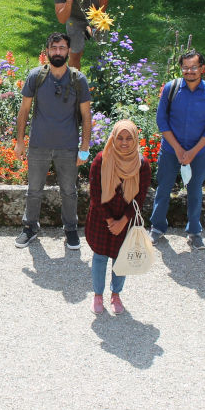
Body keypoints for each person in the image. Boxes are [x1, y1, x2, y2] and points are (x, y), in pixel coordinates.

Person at [12, 33, 92, 250]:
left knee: (69, 191)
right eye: (54, 48)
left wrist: (84, 148)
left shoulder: (78, 80)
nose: (58, 52)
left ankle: (71, 229)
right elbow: (24, 110)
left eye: (62, 48)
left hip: (67, 146)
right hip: (38, 145)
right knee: (34, 190)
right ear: (47, 50)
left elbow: (86, 116)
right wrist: (20, 142)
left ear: (68, 50)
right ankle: (30, 227)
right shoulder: (36, 76)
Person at [149, 49, 205, 251]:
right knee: (163, 188)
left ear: (202, 69)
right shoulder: (171, 88)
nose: (189, 71)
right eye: (185, 67)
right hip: (171, 150)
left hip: (198, 152)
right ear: (181, 68)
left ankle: (194, 232)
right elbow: (162, 121)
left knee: (195, 191)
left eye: (194, 67)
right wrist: (179, 149)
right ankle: (157, 227)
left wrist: (192, 152)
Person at [85, 120, 151, 315]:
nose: (124, 142)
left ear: (135, 139)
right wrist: (110, 221)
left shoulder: (142, 164)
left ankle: (116, 295)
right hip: (101, 218)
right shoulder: (101, 160)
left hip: (127, 220)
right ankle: (98, 295)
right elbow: (95, 195)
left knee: (121, 260)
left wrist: (123, 221)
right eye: (119, 137)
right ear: (113, 138)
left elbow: (140, 197)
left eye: (129, 138)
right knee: (99, 257)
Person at [51, 0, 108, 70]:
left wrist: (99, 16)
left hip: (97, 15)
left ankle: (104, 81)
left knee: (103, 51)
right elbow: (62, 19)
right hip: (75, 19)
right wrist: (68, 2)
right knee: (75, 53)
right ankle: (74, 82)